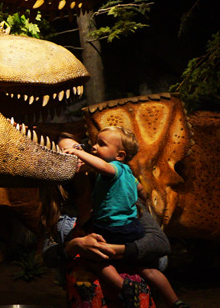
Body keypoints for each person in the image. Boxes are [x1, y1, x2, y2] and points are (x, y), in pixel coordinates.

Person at [60, 128, 189, 308]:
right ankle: (175, 301)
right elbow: (140, 188)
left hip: (111, 230)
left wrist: (77, 153)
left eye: (100, 144)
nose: (94, 148)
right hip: (129, 228)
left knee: (96, 258)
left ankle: (124, 287)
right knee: (146, 269)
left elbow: (160, 245)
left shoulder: (111, 169)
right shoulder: (126, 171)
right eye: (63, 153)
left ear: (120, 155)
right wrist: (143, 196)